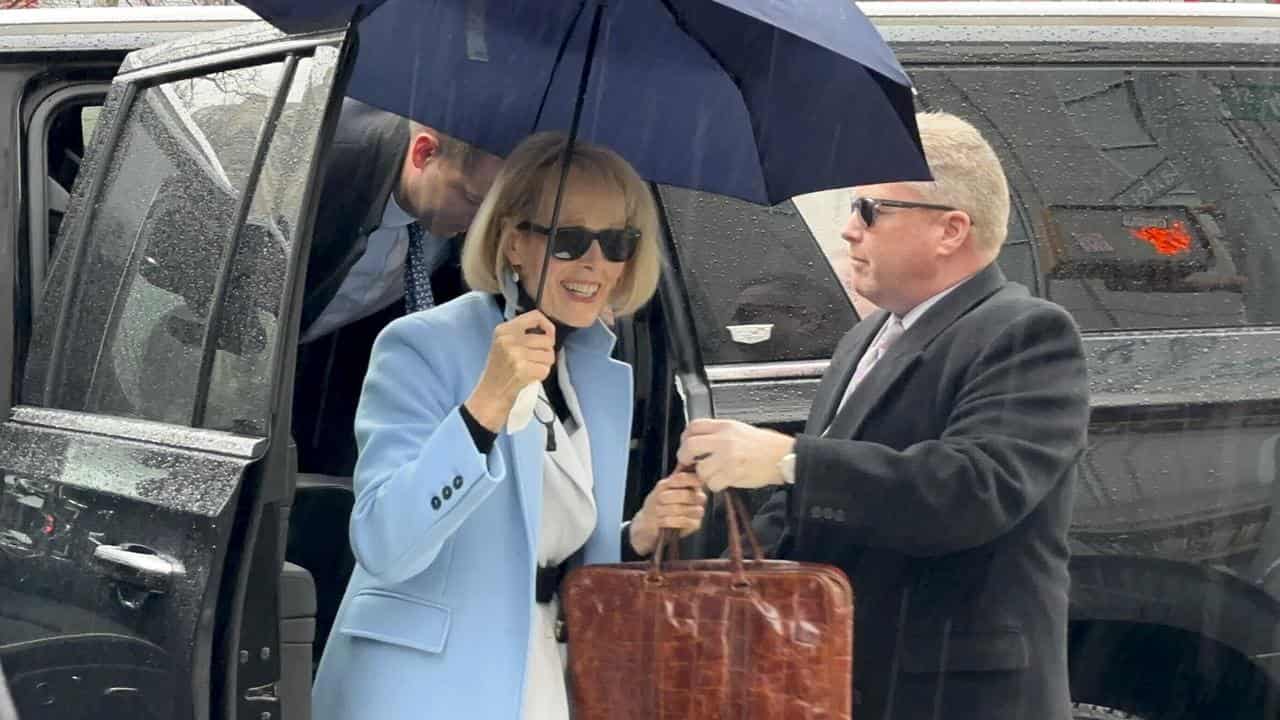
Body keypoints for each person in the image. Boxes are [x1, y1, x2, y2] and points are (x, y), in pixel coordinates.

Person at [676, 112, 1090, 720]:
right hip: (849, 680)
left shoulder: (1026, 332)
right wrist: (708, 566)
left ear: (951, 230)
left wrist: (788, 459)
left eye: (870, 210)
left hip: (958, 697)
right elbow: (808, 508)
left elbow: (971, 491)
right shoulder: (867, 336)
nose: (848, 230)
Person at [311, 132, 707, 720]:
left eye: (615, 242)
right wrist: (486, 407)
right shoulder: (424, 345)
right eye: (570, 239)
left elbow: (545, 553)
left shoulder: (594, 372)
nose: (595, 264)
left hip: (543, 674)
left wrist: (636, 534)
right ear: (514, 241)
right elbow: (382, 541)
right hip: (424, 688)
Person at [293, 98, 503, 475]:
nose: (479, 226)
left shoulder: (455, 216)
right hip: (261, 373)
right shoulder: (319, 162)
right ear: (424, 152)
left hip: (351, 395)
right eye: (473, 200)